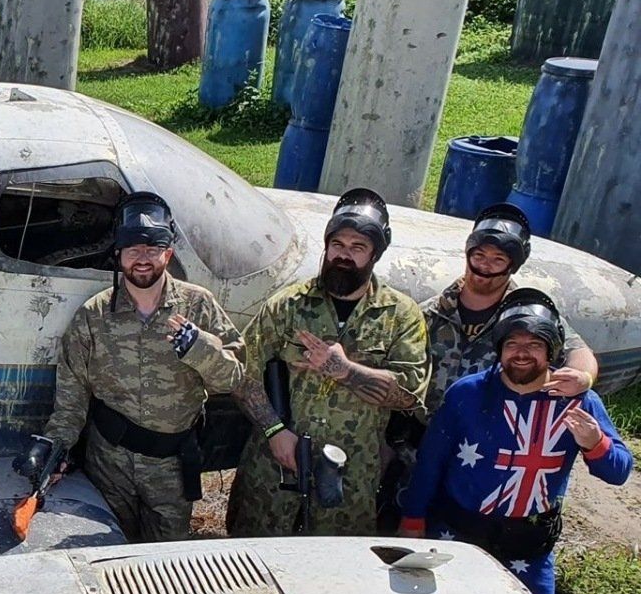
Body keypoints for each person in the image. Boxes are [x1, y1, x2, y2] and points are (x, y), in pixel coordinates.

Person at [401, 289, 631, 594]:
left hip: (528, 553)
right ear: (499, 349)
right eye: (512, 345)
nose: (521, 354)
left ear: (552, 351)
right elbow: (429, 463)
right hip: (456, 538)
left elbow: (620, 471)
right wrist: (412, 520)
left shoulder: (578, 401)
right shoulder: (466, 394)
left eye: (534, 345)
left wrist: (596, 443)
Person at [39, 192, 245, 542]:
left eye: (153, 249)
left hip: (171, 468)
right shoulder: (93, 315)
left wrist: (200, 349)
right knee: (107, 551)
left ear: (169, 253)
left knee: (166, 557)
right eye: (133, 250)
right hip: (109, 465)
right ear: (118, 256)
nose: (143, 259)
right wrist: (52, 448)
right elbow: (72, 395)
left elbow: (234, 377)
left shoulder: (198, 306)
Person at [227, 189, 429, 536]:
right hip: (274, 472)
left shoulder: (401, 315)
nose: (344, 256)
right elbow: (241, 372)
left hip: (348, 479)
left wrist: (347, 371)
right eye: (338, 245)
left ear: (375, 254)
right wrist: (275, 431)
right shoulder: (288, 305)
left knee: (332, 571)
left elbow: (410, 393)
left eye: (357, 248)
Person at [418, 203, 598, 416]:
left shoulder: (527, 314)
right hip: (427, 436)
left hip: (488, 440)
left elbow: (578, 351)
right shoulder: (428, 314)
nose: (485, 266)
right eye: (479, 256)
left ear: (513, 265)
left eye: (498, 260)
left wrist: (581, 378)